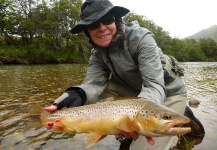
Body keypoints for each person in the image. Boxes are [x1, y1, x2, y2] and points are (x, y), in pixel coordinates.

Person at [45, 0, 204, 149]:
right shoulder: (97, 54)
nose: (101, 28)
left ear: (116, 20)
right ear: (87, 31)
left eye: (107, 19)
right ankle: (122, 127)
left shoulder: (142, 38)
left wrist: (136, 119)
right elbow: (93, 85)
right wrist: (77, 94)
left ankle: (177, 112)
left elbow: (154, 84)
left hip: (167, 93)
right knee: (92, 100)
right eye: (93, 24)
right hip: (134, 97)